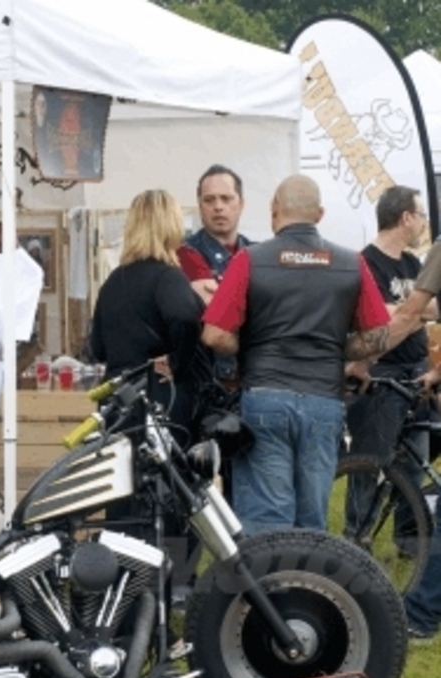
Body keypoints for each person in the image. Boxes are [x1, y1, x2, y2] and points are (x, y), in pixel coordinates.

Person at [201, 174, 391, 536]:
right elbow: (379, 336)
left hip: (264, 396)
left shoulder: (249, 259)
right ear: (319, 214)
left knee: (266, 519)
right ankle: (307, 574)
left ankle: (268, 575)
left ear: (274, 208)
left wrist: (251, 345)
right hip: (324, 399)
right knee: (311, 520)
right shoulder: (351, 262)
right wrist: (336, 349)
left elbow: (214, 334)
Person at [344, 185, 433, 546]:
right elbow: (377, 319)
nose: (424, 222)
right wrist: (413, 312)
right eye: (421, 215)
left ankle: (409, 541)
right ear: (406, 218)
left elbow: (427, 309)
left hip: (418, 370)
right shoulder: (364, 263)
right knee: (370, 460)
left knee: (415, 459)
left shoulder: (413, 264)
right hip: (380, 373)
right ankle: (356, 539)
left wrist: (405, 313)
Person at [88, 189, 204, 439]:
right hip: (160, 400)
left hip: (117, 400)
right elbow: (186, 320)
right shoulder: (168, 278)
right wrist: (177, 362)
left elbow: (97, 347)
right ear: (171, 226)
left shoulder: (112, 282)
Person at [178, 165, 252, 394]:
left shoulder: (258, 254)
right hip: (206, 385)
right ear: (199, 205)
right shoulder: (185, 254)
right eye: (209, 200)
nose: (218, 207)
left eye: (226, 198)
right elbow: (220, 317)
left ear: (241, 203)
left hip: (253, 381)